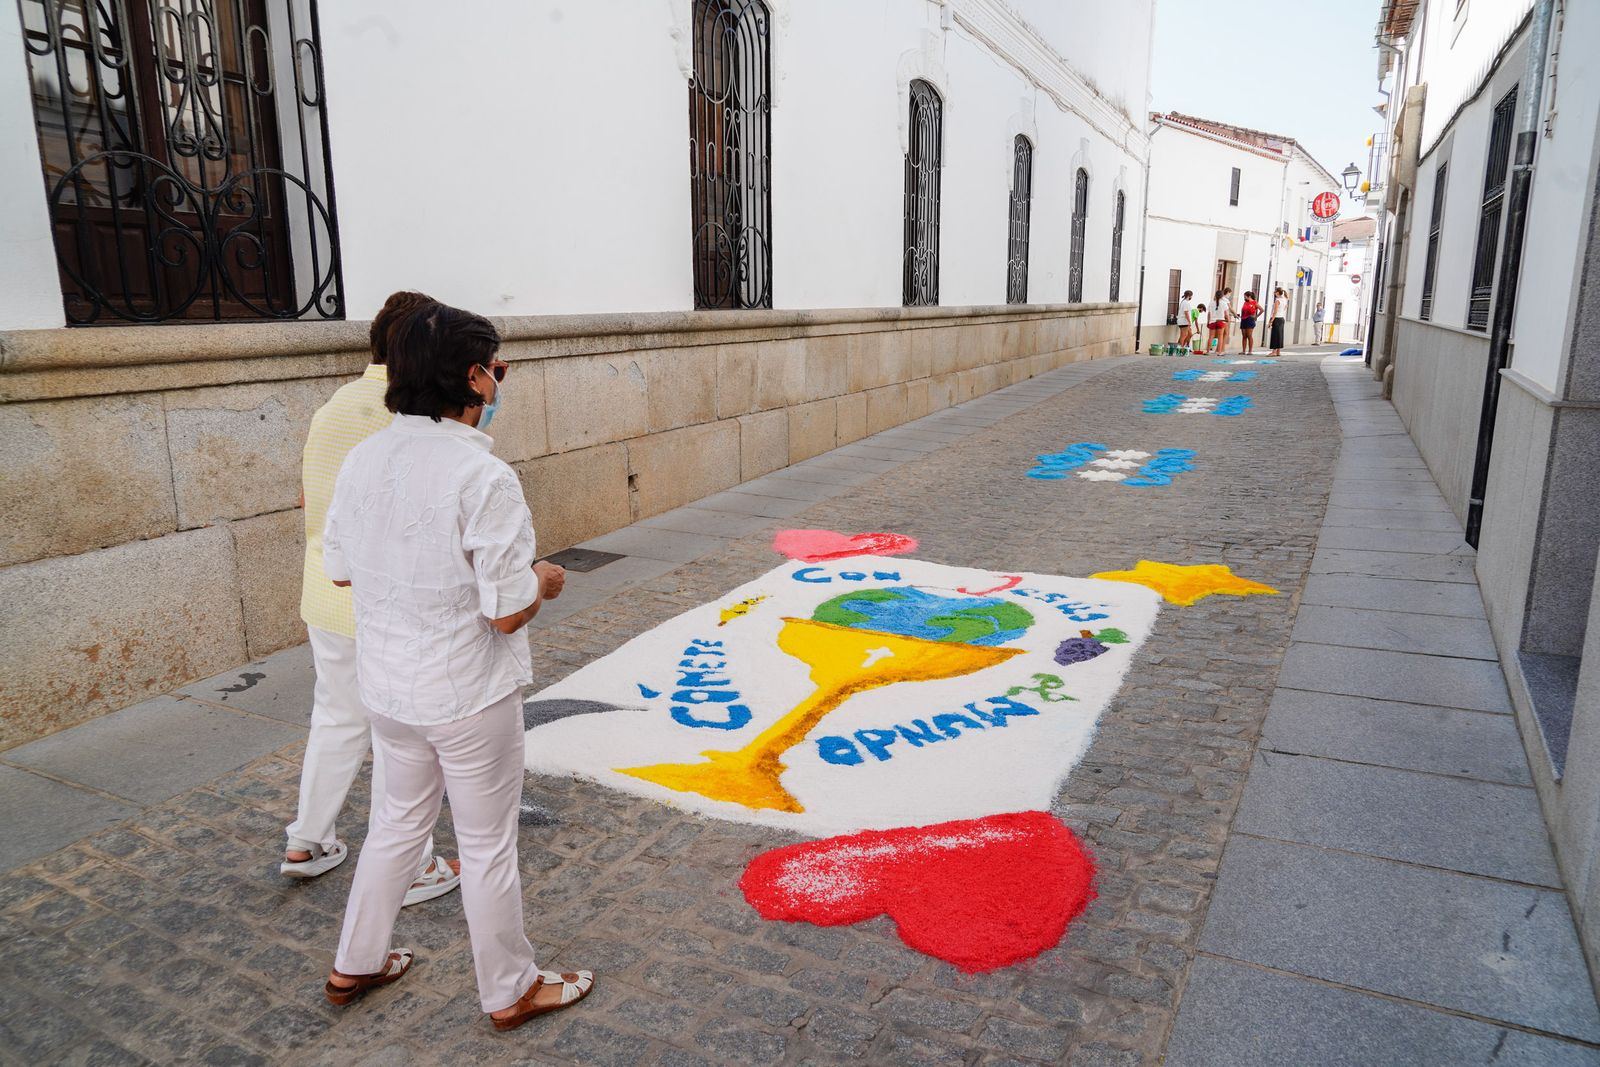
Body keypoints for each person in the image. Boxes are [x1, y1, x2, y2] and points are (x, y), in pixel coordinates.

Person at [321, 300, 592, 1030]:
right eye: (499, 369)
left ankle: (355, 960)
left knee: (394, 825)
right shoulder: (484, 476)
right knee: (486, 843)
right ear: (474, 377)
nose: (500, 382)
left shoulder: (363, 458)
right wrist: (542, 579)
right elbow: (505, 609)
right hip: (467, 690)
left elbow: (341, 569)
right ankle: (510, 987)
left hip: (389, 684)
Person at [282, 290, 461, 909]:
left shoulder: (332, 407)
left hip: (325, 591)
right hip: (388, 599)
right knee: (399, 734)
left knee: (336, 718)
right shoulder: (412, 413)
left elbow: (309, 497)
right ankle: (412, 865)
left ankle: (306, 841)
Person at [1238, 290, 1261, 356]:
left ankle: (1250, 351)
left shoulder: (1254, 302)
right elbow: (1243, 311)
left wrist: (1256, 316)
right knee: (1244, 336)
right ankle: (1243, 351)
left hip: (1250, 320)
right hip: (1243, 320)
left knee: (1249, 335)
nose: (1244, 298)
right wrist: (1240, 315)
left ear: (1249, 296)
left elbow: (1262, 310)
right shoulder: (1245, 303)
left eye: (1245, 296)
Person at [1268, 288, 1288, 356]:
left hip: (1276, 318)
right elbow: (1285, 308)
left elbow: (1275, 311)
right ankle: (1278, 351)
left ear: (1278, 293)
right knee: (1280, 335)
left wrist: (1271, 321)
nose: (1274, 293)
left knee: (1275, 335)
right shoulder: (1285, 300)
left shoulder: (1277, 300)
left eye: (1275, 292)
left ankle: (1274, 352)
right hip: (1281, 319)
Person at [1207, 290, 1228, 354]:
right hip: (1221, 321)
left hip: (1212, 321)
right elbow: (1226, 313)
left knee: (1211, 336)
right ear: (1222, 296)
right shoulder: (1224, 303)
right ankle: (1219, 352)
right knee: (1220, 337)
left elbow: (1209, 314)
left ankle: (1207, 351)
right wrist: (1227, 319)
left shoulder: (1211, 303)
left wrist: (1208, 322)